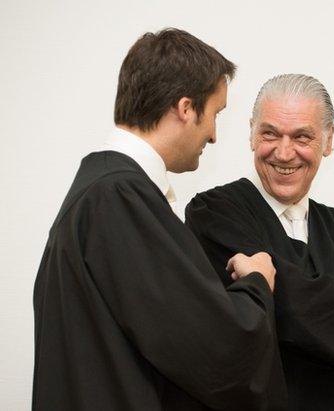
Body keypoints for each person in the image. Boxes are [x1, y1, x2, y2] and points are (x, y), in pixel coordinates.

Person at [33, 28, 286, 411]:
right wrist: (256, 282)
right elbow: (213, 347)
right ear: (186, 109)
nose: (215, 135)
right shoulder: (117, 198)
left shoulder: (103, 191)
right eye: (215, 115)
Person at [185, 74, 334, 410]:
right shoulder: (214, 214)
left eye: (302, 137)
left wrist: (292, 301)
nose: (283, 152)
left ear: (328, 139)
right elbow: (276, 300)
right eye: (270, 133)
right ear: (251, 133)